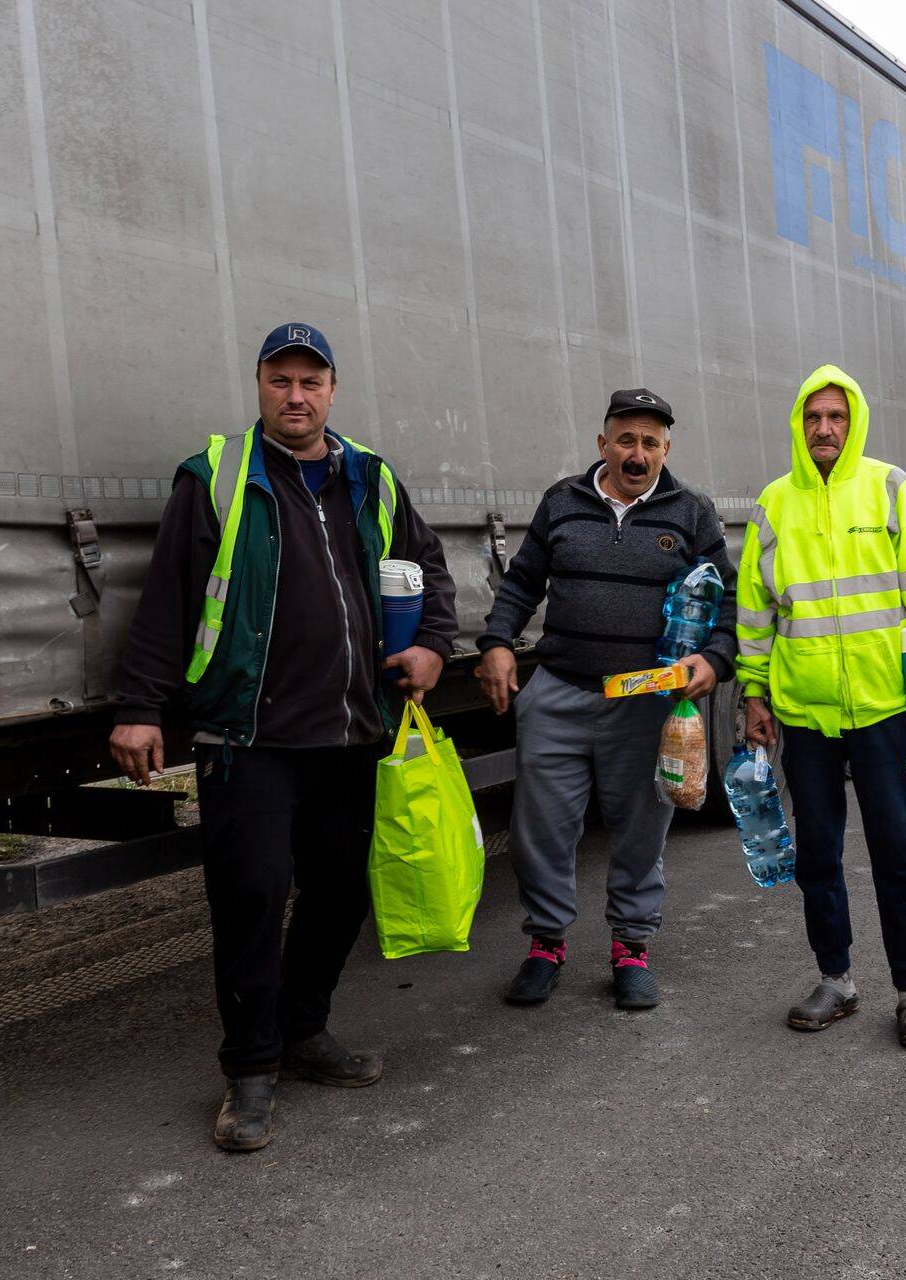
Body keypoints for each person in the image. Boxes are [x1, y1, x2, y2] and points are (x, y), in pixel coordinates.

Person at [109, 322, 456, 1153]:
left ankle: (304, 1033)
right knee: (253, 901)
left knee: (341, 894)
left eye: (311, 381)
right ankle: (252, 1070)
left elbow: (427, 567)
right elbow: (168, 600)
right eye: (279, 380)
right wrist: (139, 705)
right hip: (247, 736)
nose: (294, 396)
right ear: (259, 385)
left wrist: (433, 645)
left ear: (333, 390)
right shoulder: (217, 480)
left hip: (349, 732)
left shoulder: (368, 478)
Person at [734, 364, 906, 1049]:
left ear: (855, 422)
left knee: (899, 848)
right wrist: (754, 691)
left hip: (885, 711)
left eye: (837, 417)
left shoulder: (890, 488)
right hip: (807, 714)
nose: (825, 429)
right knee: (818, 853)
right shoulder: (775, 504)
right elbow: (755, 611)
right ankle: (836, 978)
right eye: (813, 418)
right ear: (798, 426)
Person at [477, 389, 737, 1010]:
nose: (637, 454)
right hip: (560, 692)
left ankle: (631, 949)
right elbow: (522, 583)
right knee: (539, 829)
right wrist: (495, 642)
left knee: (642, 828)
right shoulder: (562, 502)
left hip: (645, 702)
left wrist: (715, 658)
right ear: (603, 444)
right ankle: (545, 946)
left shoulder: (690, 513)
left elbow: (727, 600)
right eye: (626, 440)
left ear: (666, 449)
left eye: (650, 442)